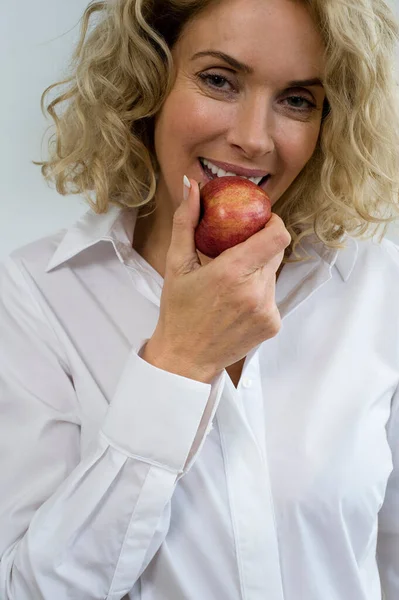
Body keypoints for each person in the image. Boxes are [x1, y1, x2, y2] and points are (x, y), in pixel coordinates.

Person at [1, 0, 399, 598]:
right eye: (219, 79)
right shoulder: (36, 295)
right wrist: (177, 362)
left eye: (297, 100)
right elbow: (30, 588)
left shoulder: (376, 286)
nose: (251, 138)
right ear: (147, 83)